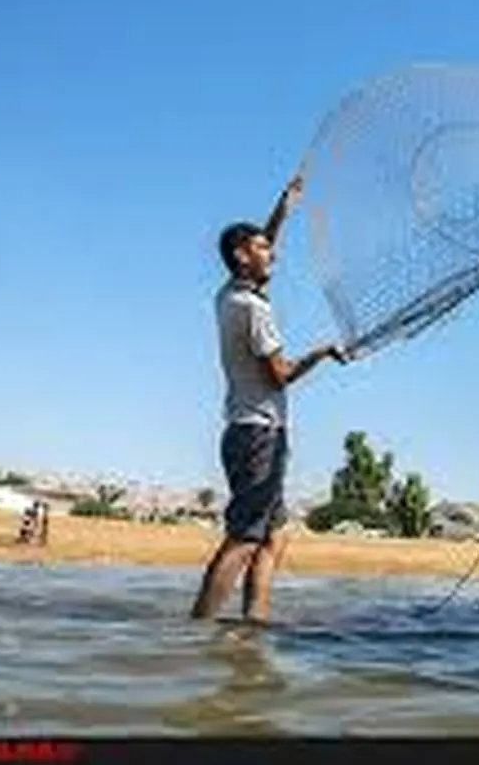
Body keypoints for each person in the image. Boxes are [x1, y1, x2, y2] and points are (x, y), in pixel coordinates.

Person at [190, 172, 348, 625]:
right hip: (259, 435)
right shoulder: (255, 311)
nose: (272, 252)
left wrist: (281, 211)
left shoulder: (229, 295)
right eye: (262, 249)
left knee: (273, 538)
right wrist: (321, 352)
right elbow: (279, 376)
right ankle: (198, 631)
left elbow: (260, 249)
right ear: (241, 258)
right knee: (243, 539)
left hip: (250, 431)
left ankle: (253, 626)